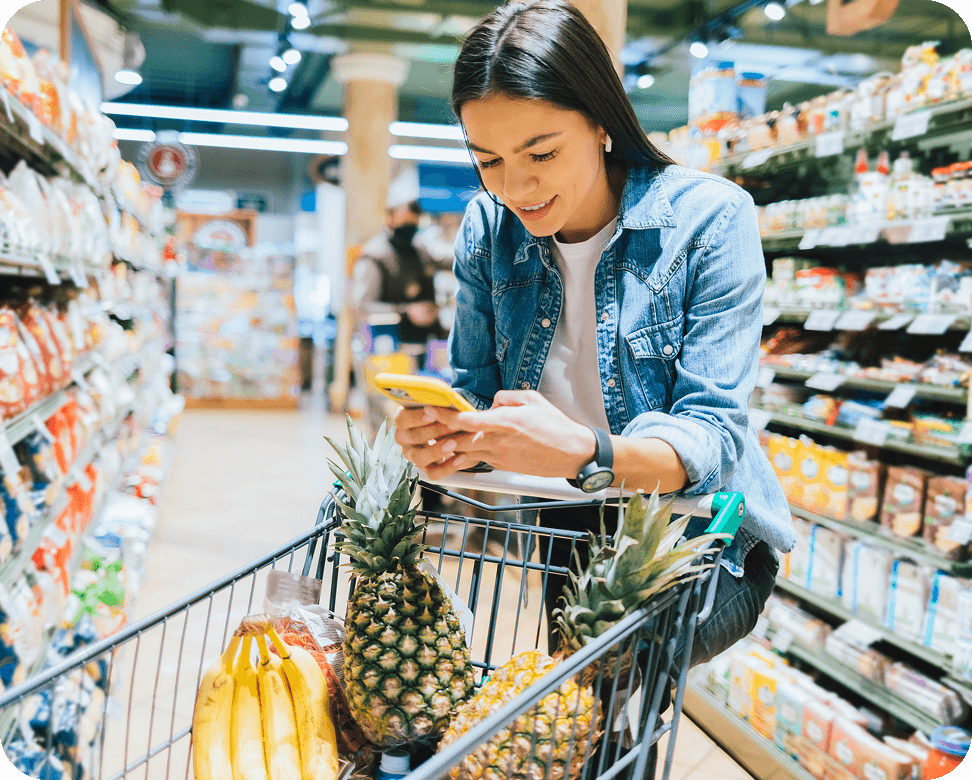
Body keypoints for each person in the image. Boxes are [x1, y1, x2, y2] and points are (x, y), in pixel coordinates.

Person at [394, 0, 793, 682]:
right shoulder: (488, 229)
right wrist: (447, 430)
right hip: (565, 524)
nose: (515, 186)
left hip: (700, 530)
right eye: (487, 159)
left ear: (603, 121)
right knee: (578, 715)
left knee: (600, 684)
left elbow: (711, 436)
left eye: (541, 152)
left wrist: (588, 451)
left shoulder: (710, 221)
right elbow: (476, 387)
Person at [350, 199, 446, 345]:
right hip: (388, 347)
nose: (409, 229)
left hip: (427, 343)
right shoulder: (374, 255)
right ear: (389, 219)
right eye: (405, 223)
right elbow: (364, 306)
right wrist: (406, 312)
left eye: (414, 224)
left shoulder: (419, 249)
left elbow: (445, 261)